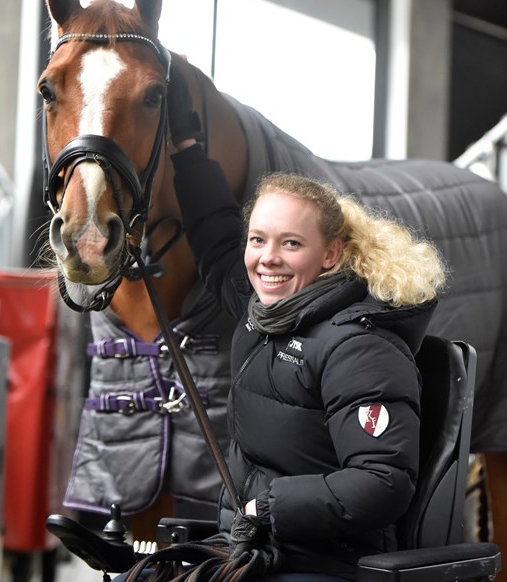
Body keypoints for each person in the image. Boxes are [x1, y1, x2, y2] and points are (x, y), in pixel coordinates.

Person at [160, 62, 448, 582]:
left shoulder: (361, 347)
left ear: (331, 255)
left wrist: (266, 509)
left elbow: (382, 481)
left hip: (322, 564)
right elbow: (217, 240)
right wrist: (186, 150)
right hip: (254, 551)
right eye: (259, 239)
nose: (267, 258)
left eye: (291, 243)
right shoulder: (266, 309)